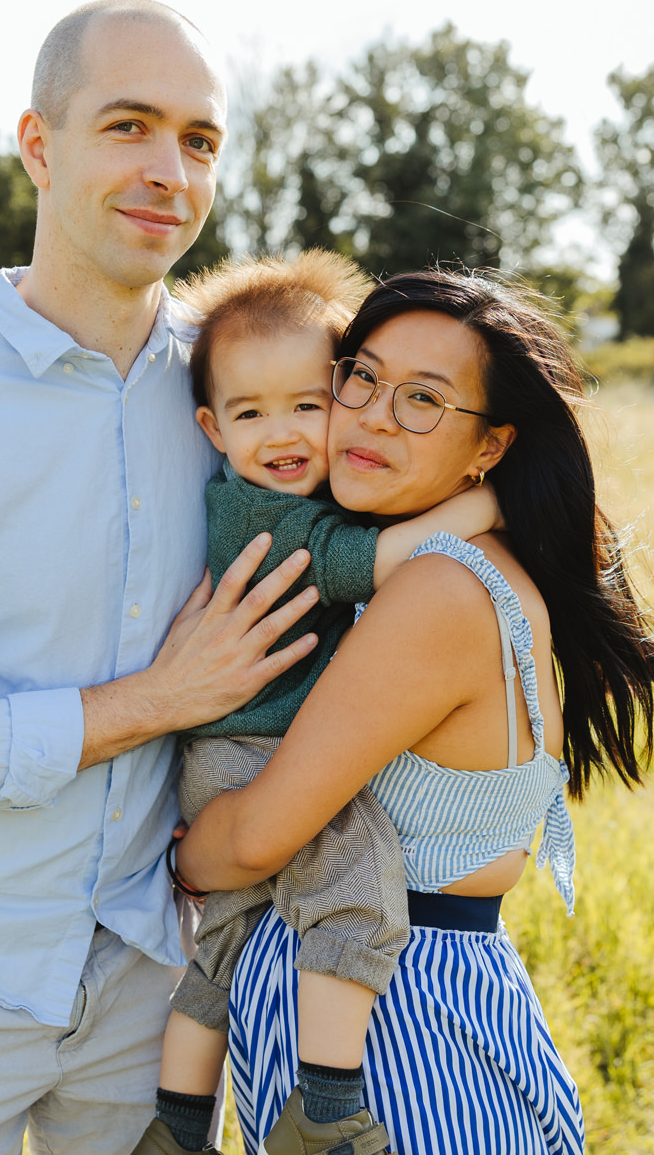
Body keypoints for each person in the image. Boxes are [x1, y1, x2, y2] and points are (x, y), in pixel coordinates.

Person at [0, 0, 321, 1153]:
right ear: (39, 147)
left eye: (199, 140)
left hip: (156, 976)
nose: (169, 173)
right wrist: (157, 700)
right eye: (128, 126)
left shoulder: (242, 399)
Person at [176, 270, 654, 1152]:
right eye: (361, 377)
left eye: (423, 399)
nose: (375, 417)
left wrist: (181, 858)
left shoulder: (439, 591)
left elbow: (260, 837)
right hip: (408, 1009)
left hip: (395, 1038)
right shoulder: (456, 564)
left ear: (490, 446)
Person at [130, 252, 504, 1155]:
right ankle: (329, 1105)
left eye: (308, 404)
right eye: (251, 414)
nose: (284, 434)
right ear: (212, 428)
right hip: (252, 751)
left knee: (219, 943)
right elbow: (372, 563)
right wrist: (487, 507)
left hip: (228, 752)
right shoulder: (262, 515)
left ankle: (178, 1125)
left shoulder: (286, 496)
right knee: (357, 876)